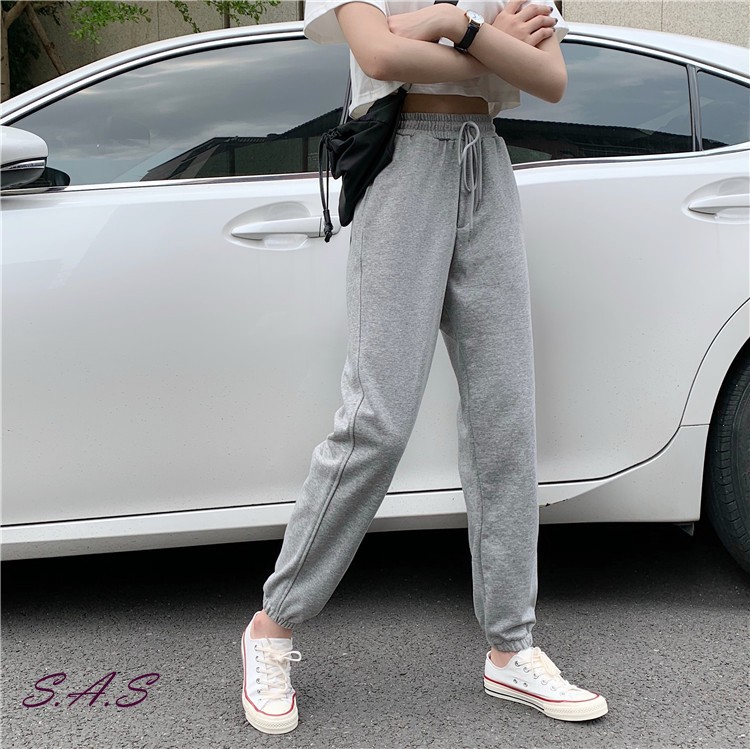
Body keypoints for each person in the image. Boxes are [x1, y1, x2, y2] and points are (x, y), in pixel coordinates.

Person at [241, 0, 608, 735]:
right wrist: (493, 47)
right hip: (402, 163)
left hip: (486, 163)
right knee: (375, 420)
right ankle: (271, 627)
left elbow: (550, 80)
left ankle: (511, 647)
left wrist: (449, 24)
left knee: (505, 420)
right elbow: (380, 58)